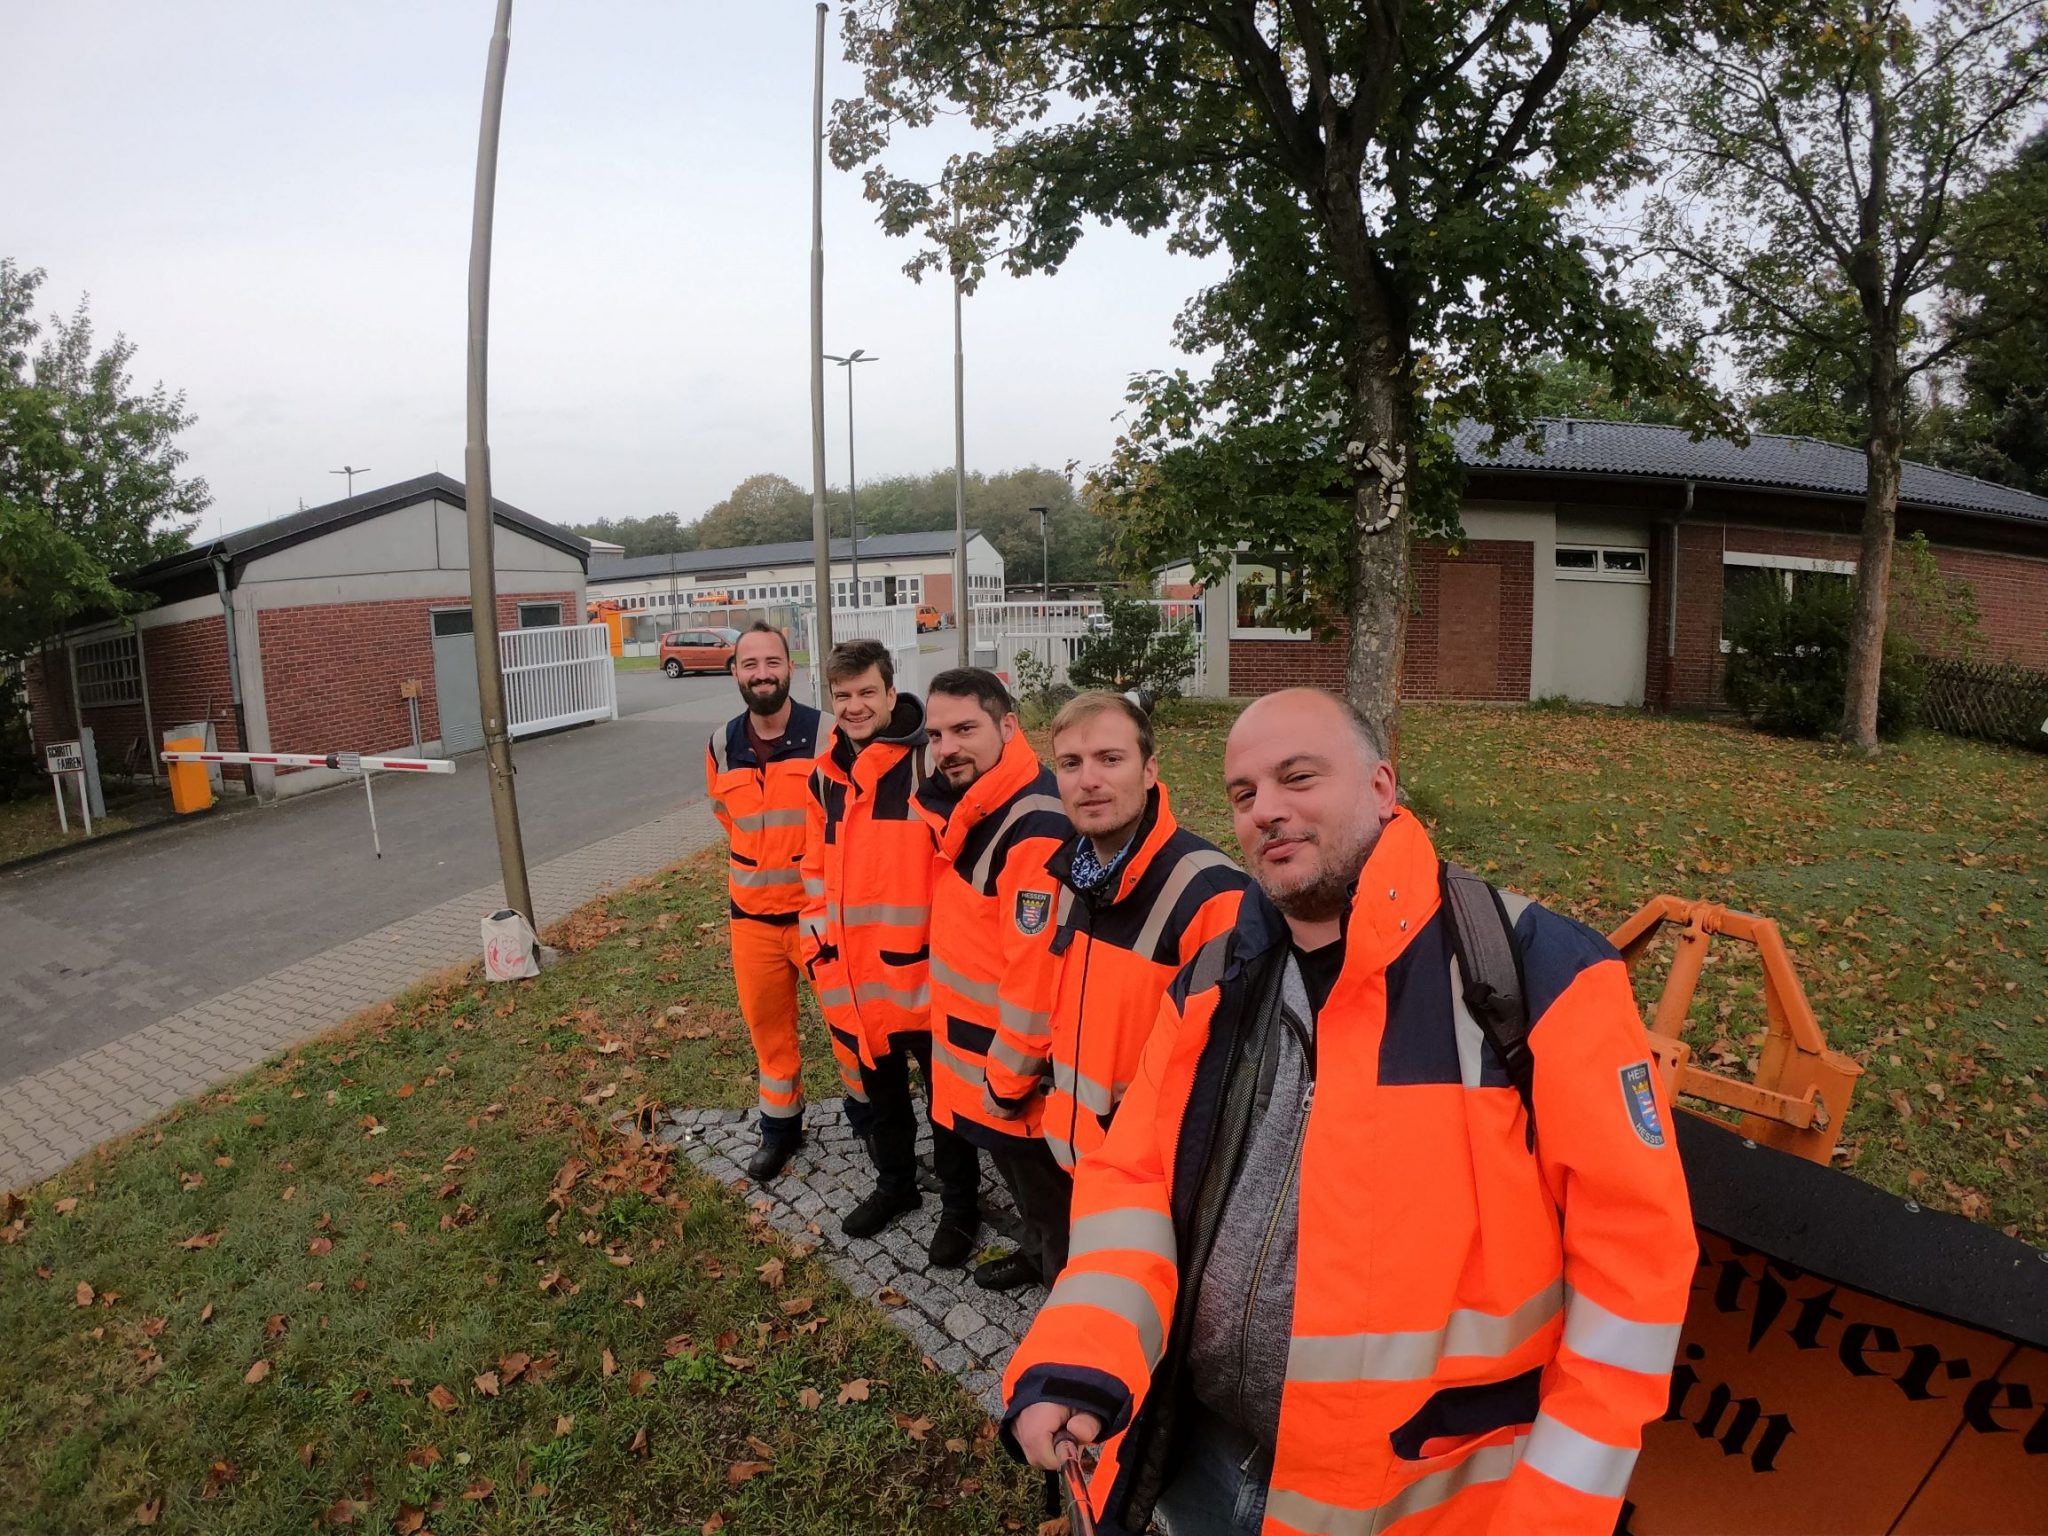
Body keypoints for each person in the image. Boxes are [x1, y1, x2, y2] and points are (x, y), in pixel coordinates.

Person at [1003, 688, 1695, 1535]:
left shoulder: (1538, 974)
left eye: (1299, 777)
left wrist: (1553, 1510)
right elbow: (1131, 1181)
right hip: (1199, 1458)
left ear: (1381, 787)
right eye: (1245, 794)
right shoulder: (1217, 978)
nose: (1269, 812)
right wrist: (1080, 1359)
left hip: (1417, 1497)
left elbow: (1635, 1274)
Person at [978, 691, 1246, 1290]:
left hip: (1152, 1182)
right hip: (1075, 1148)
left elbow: (1229, 1073)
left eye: (1110, 759)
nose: (1088, 780)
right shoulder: (1068, 874)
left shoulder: (1209, 895)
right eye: (1070, 764)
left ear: (1150, 771)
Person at [799, 639, 980, 1254]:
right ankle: (896, 1182)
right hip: (855, 975)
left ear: (890, 691)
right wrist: (816, 944)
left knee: (945, 1100)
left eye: (866, 693)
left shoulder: (928, 763)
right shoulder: (824, 777)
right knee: (881, 1095)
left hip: (926, 973)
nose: (854, 706)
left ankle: (960, 1205)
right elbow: (813, 870)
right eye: (842, 695)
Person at [914, 669, 1072, 1278]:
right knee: (1027, 1189)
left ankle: (1069, 1312)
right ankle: (1037, 1255)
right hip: (982, 1053)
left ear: (1008, 726)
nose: (947, 746)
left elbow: (1036, 975)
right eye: (936, 734)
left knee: (1052, 1198)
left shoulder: (1032, 823)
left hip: (1014, 1069)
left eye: (964, 728)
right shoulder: (979, 802)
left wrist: (1009, 1079)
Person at [704, 621, 831, 1182]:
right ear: (735, 672)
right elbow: (727, 820)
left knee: (848, 1030)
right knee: (769, 1034)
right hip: (751, 924)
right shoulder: (718, 743)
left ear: (790, 667)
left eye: (771, 662)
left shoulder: (827, 735)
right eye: (749, 664)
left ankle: (872, 1127)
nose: (762, 674)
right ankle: (780, 1130)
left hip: (818, 918)